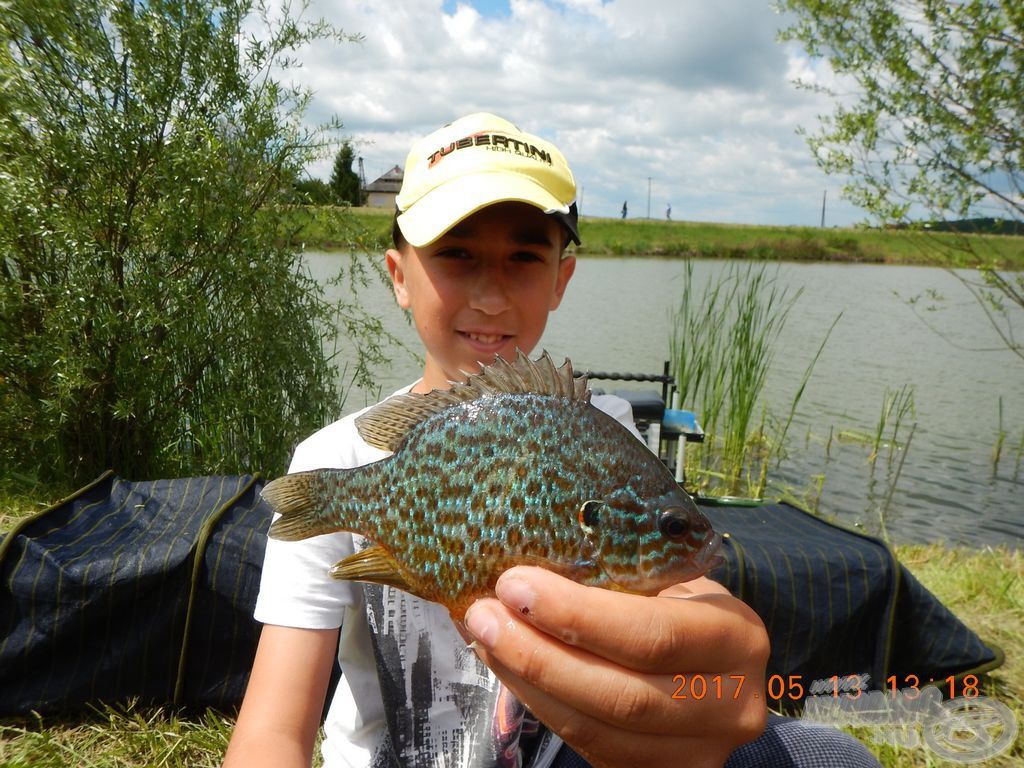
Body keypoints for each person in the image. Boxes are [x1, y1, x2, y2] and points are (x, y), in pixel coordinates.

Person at [224, 113, 880, 768]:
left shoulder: (606, 428)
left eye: (524, 257)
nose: (490, 294)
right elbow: (272, 734)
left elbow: (680, 602)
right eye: (456, 253)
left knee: (839, 759)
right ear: (398, 275)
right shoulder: (332, 462)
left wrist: (704, 652)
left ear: (561, 279)